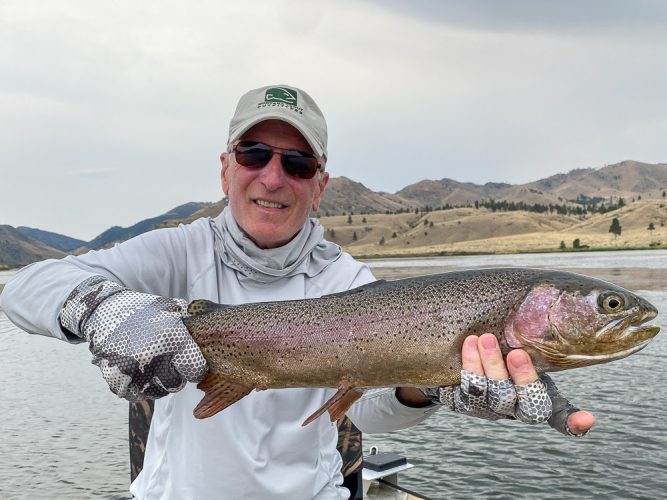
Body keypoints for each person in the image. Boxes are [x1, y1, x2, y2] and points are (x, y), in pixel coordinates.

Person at [0, 84, 595, 500]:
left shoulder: (346, 281)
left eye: (298, 163)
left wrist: (427, 386)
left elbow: (366, 409)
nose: (273, 176)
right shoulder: (176, 252)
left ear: (321, 186)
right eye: (254, 154)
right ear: (226, 168)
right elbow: (25, 287)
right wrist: (102, 308)